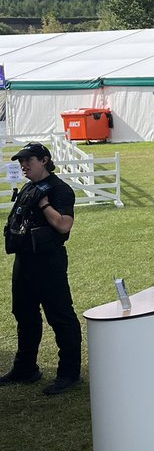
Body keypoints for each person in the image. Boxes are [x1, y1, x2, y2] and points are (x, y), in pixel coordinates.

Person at [2, 142, 82, 395]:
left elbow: (64, 226)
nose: (23, 165)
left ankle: (69, 373)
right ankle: (25, 368)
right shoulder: (29, 188)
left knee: (60, 316)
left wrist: (45, 205)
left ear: (45, 160)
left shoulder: (60, 190)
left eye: (29, 160)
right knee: (24, 314)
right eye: (21, 162)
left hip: (48, 261)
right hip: (25, 260)